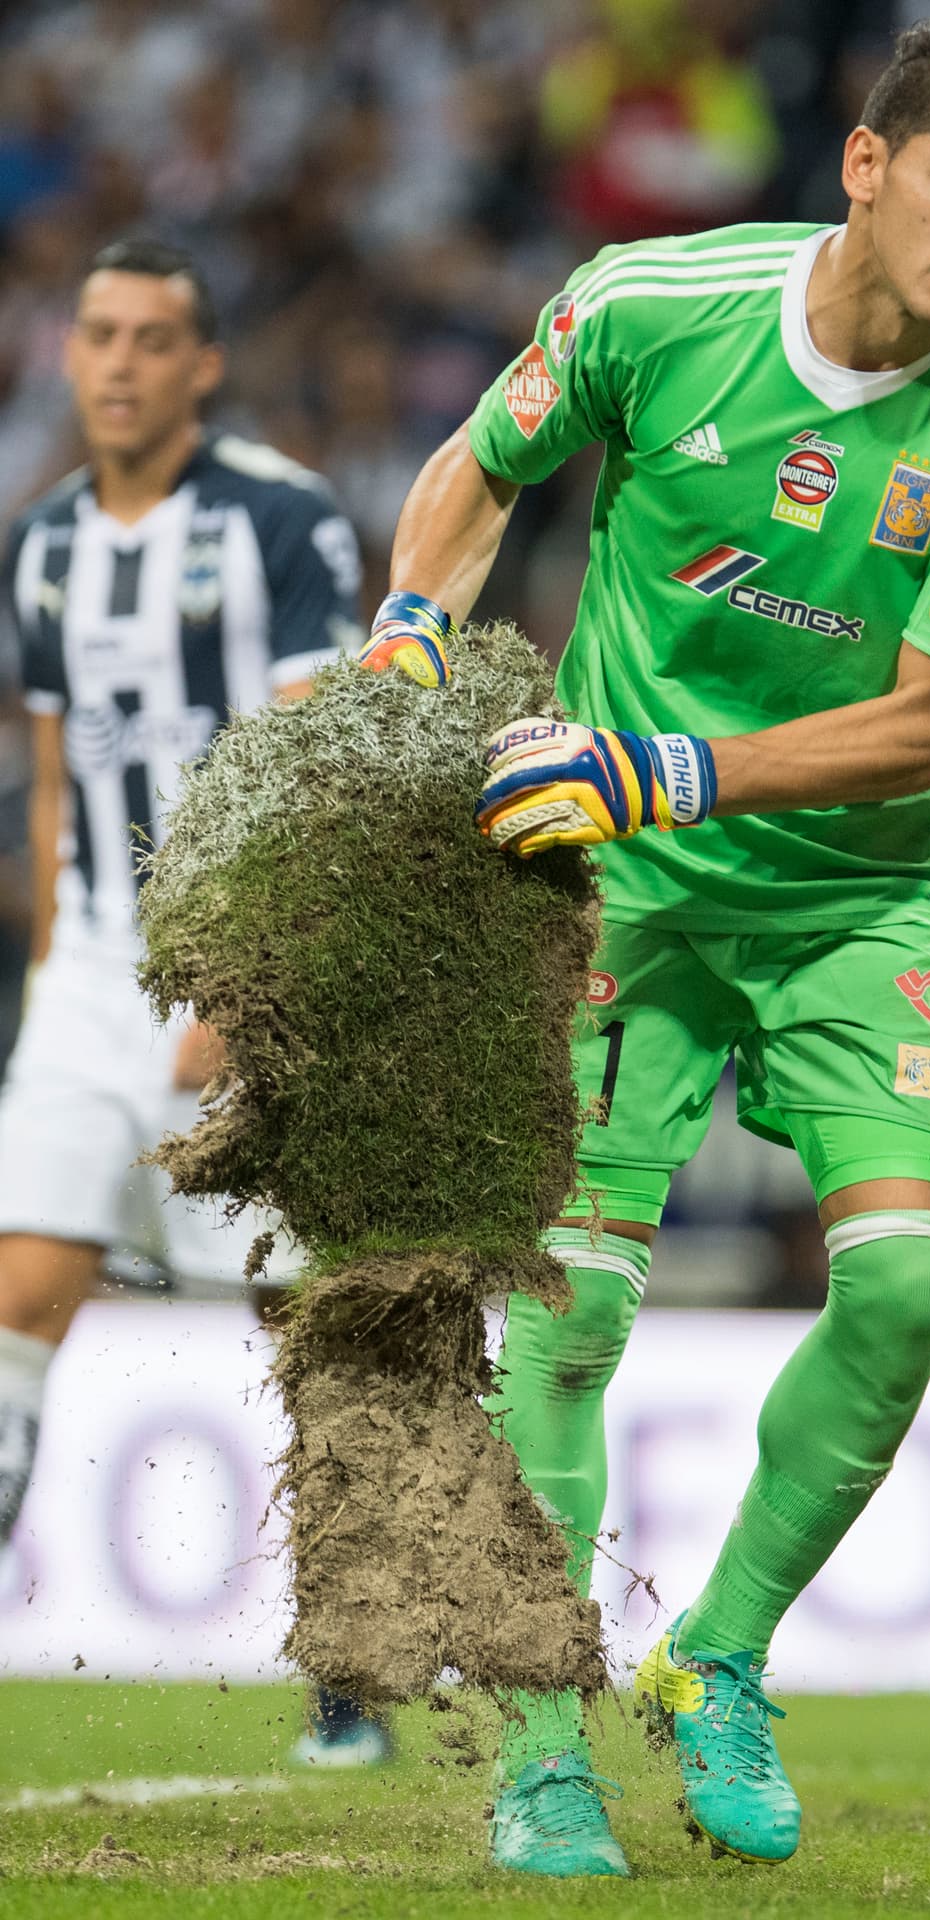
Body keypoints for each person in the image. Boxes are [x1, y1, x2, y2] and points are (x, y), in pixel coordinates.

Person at [364, 16, 930, 1876]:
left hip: (856, 894)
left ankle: (718, 1660)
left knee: (913, 1285)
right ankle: (547, 1738)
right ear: (863, 168)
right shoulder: (653, 303)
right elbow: (480, 470)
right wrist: (403, 644)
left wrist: (671, 766)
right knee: (570, 1309)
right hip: (623, 891)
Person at [0, 237, 381, 1765]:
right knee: (21, 1292)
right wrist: (48, 969)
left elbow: (308, 758)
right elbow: (52, 780)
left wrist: (247, 964)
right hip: (93, 971)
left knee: (303, 1313)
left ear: (203, 363)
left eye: (153, 338)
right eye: (98, 334)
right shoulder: (38, 547)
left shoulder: (280, 517)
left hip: (248, 963)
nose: (119, 363)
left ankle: (351, 1668)